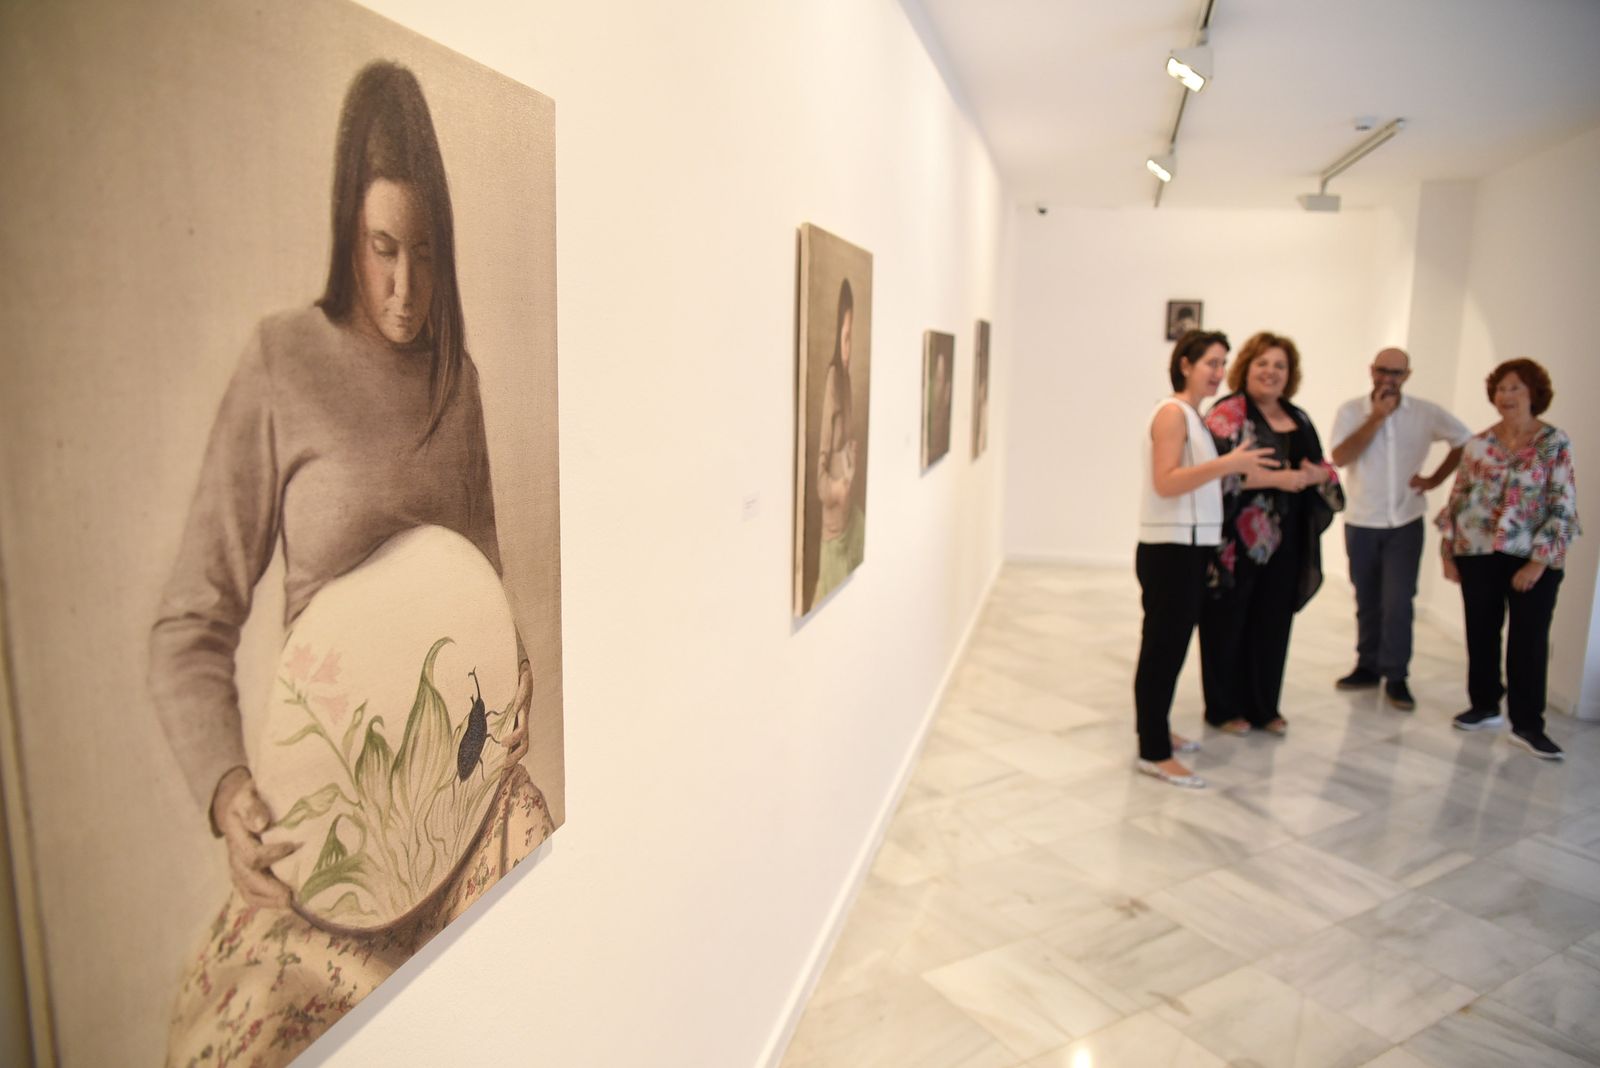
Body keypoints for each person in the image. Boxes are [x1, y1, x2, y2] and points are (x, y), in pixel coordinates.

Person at [150, 61, 554, 1065]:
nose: (405, 288)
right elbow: (190, 625)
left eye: (424, 253)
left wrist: (511, 693)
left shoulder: (456, 381)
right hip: (328, 844)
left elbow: (483, 606)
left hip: (456, 814)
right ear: (347, 235)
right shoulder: (281, 362)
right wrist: (230, 794)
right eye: (382, 250)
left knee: (529, 950)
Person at [1134, 331, 1278, 787]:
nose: (1219, 372)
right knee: (1162, 650)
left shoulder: (1192, 416)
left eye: (1222, 363)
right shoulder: (1172, 413)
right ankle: (1153, 752)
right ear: (1185, 365)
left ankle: (1157, 730)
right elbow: (1166, 482)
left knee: (1171, 648)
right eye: (1211, 363)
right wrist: (1228, 464)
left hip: (1189, 547)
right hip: (1170, 550)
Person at [1200, 332, 1345, 735]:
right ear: (1246, 367)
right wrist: (1278, 480)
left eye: (1280, 365)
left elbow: (1323, 469)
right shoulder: (1228, 414)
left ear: (1290, 374)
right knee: (1228, 622)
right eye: (1262, 363)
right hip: (1237, 542)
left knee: (1273, 622)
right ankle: (1223, 709)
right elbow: (1211, 475)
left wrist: (1316, 476)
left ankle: (1264, 707)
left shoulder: (1299, 418)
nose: (1271, 372)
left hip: (1288, 540)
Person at [1438, 358, 1581, 759]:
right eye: (1501, 388)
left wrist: (1538, 562)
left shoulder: (1554, 441)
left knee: (1529, 640)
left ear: (1534, 392)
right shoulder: (1479, 443)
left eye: (1515, 387)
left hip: (1533, 556)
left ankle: (1528, 725)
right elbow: (1459, 498)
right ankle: (1484, 705)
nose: (1506, 395)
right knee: (1481, 631)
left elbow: (1563, 504)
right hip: (1478, 551)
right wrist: (1448, 551)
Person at [1329, 347, 1472, 710]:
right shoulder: (1351, 411)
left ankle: (1396, 675)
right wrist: (1376, 418)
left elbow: (1464, 440)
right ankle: (1367, 666)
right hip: (1362, 521)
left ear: (1407, 376)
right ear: (1371, 371)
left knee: (1397, 602)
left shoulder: (1424, 413)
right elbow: (1340, 457)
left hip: (1405, 521)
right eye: (1382, 370)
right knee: (1366, 599)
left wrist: (1434, 479)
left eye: (1395, 373)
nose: (1388, 379)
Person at [813, 279, 865, 604]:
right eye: (845, 339)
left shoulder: (847, 382)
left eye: (852, 339)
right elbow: (821, 481)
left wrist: (850, 457)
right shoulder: (833, 379)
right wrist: (837, 489)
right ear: (837, 336)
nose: (848, 350)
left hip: (849, 525)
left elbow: (842, 448)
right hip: (833, 534)